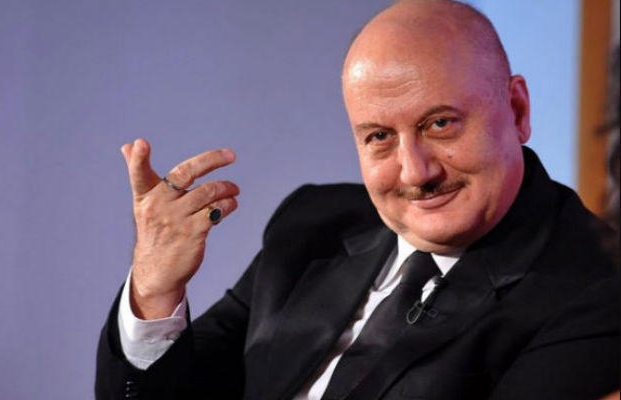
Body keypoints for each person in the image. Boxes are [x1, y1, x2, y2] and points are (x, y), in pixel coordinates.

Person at [96, 1, 620, 399]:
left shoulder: (597, 287)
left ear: (518, 109)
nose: (415, 171)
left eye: (440, 124)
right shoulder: (313, 225)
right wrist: (156, 291)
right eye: (379, 137)